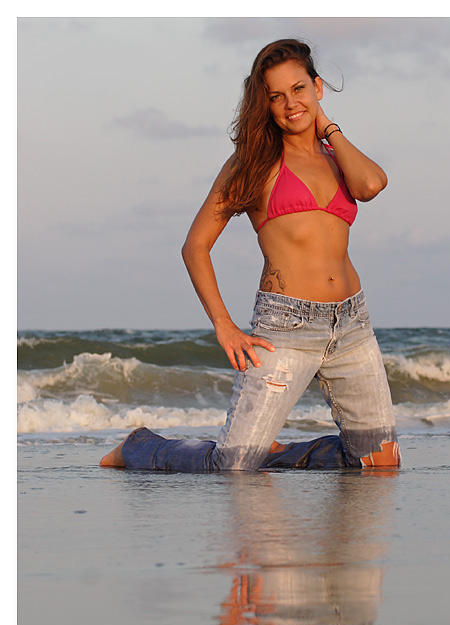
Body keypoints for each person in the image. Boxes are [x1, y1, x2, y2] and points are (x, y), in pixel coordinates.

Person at [100, 38, 400, 472]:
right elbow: (195, 246)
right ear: (265, 105)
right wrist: (223, 324)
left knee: (380, 463)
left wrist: (328, 125)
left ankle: (277, 451)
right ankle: (140, 447)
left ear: (318, 87)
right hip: (286, 326)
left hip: (351, 323)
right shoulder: (253, 162)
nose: (289, 104)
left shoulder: (337, 158)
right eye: (276, 96)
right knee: (235, 465)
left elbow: (371, 185)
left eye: (299, 89)